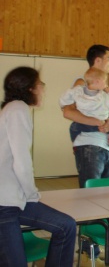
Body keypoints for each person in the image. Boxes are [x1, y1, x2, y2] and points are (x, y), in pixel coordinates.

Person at [0, 67, 76, 267]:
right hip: (4, 205)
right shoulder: (18, 108)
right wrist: (32, 194)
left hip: (12, 201)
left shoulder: (12, 108)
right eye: (40, 84)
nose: (43, 88)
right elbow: (21, 160)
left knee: (65, 225)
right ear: (30, 88)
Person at [61, 44, 109, 265]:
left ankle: (98, 242)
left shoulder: (103, 86)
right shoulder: (82, 83)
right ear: (98, 60)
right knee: (90, 196)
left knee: (104, 196)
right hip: (89, 145)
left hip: (105, 145)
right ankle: (86, 245)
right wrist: (98, 122)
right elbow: (67, 111)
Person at [59, 67, 109, 147]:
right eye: (104, 82)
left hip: (84, 126)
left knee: (73, 128)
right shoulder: (103, 96)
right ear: (97, 81)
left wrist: (63, 103)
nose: (105, 84)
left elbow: (66, 96)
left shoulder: (79, 91)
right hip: (100, 126)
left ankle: (75, 141)